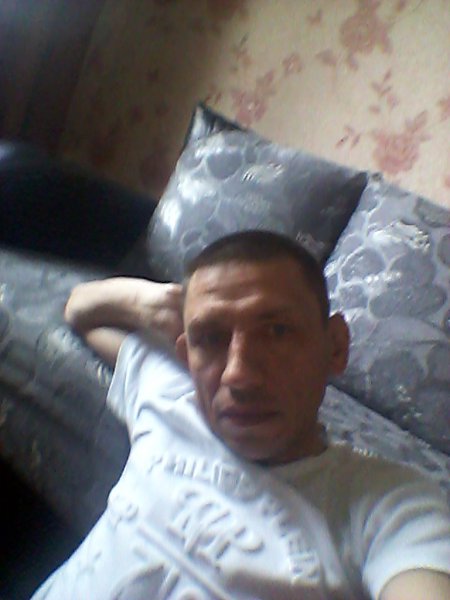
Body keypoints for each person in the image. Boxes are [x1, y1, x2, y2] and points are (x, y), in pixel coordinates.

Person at [31, 231, 450, 599]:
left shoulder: (387, 503)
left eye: (277, 332)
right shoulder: (172, 397)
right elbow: (80, 310)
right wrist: (150, 302)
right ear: (187, 356)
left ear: (335, 347)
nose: (239, 376)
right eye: (211, 338)